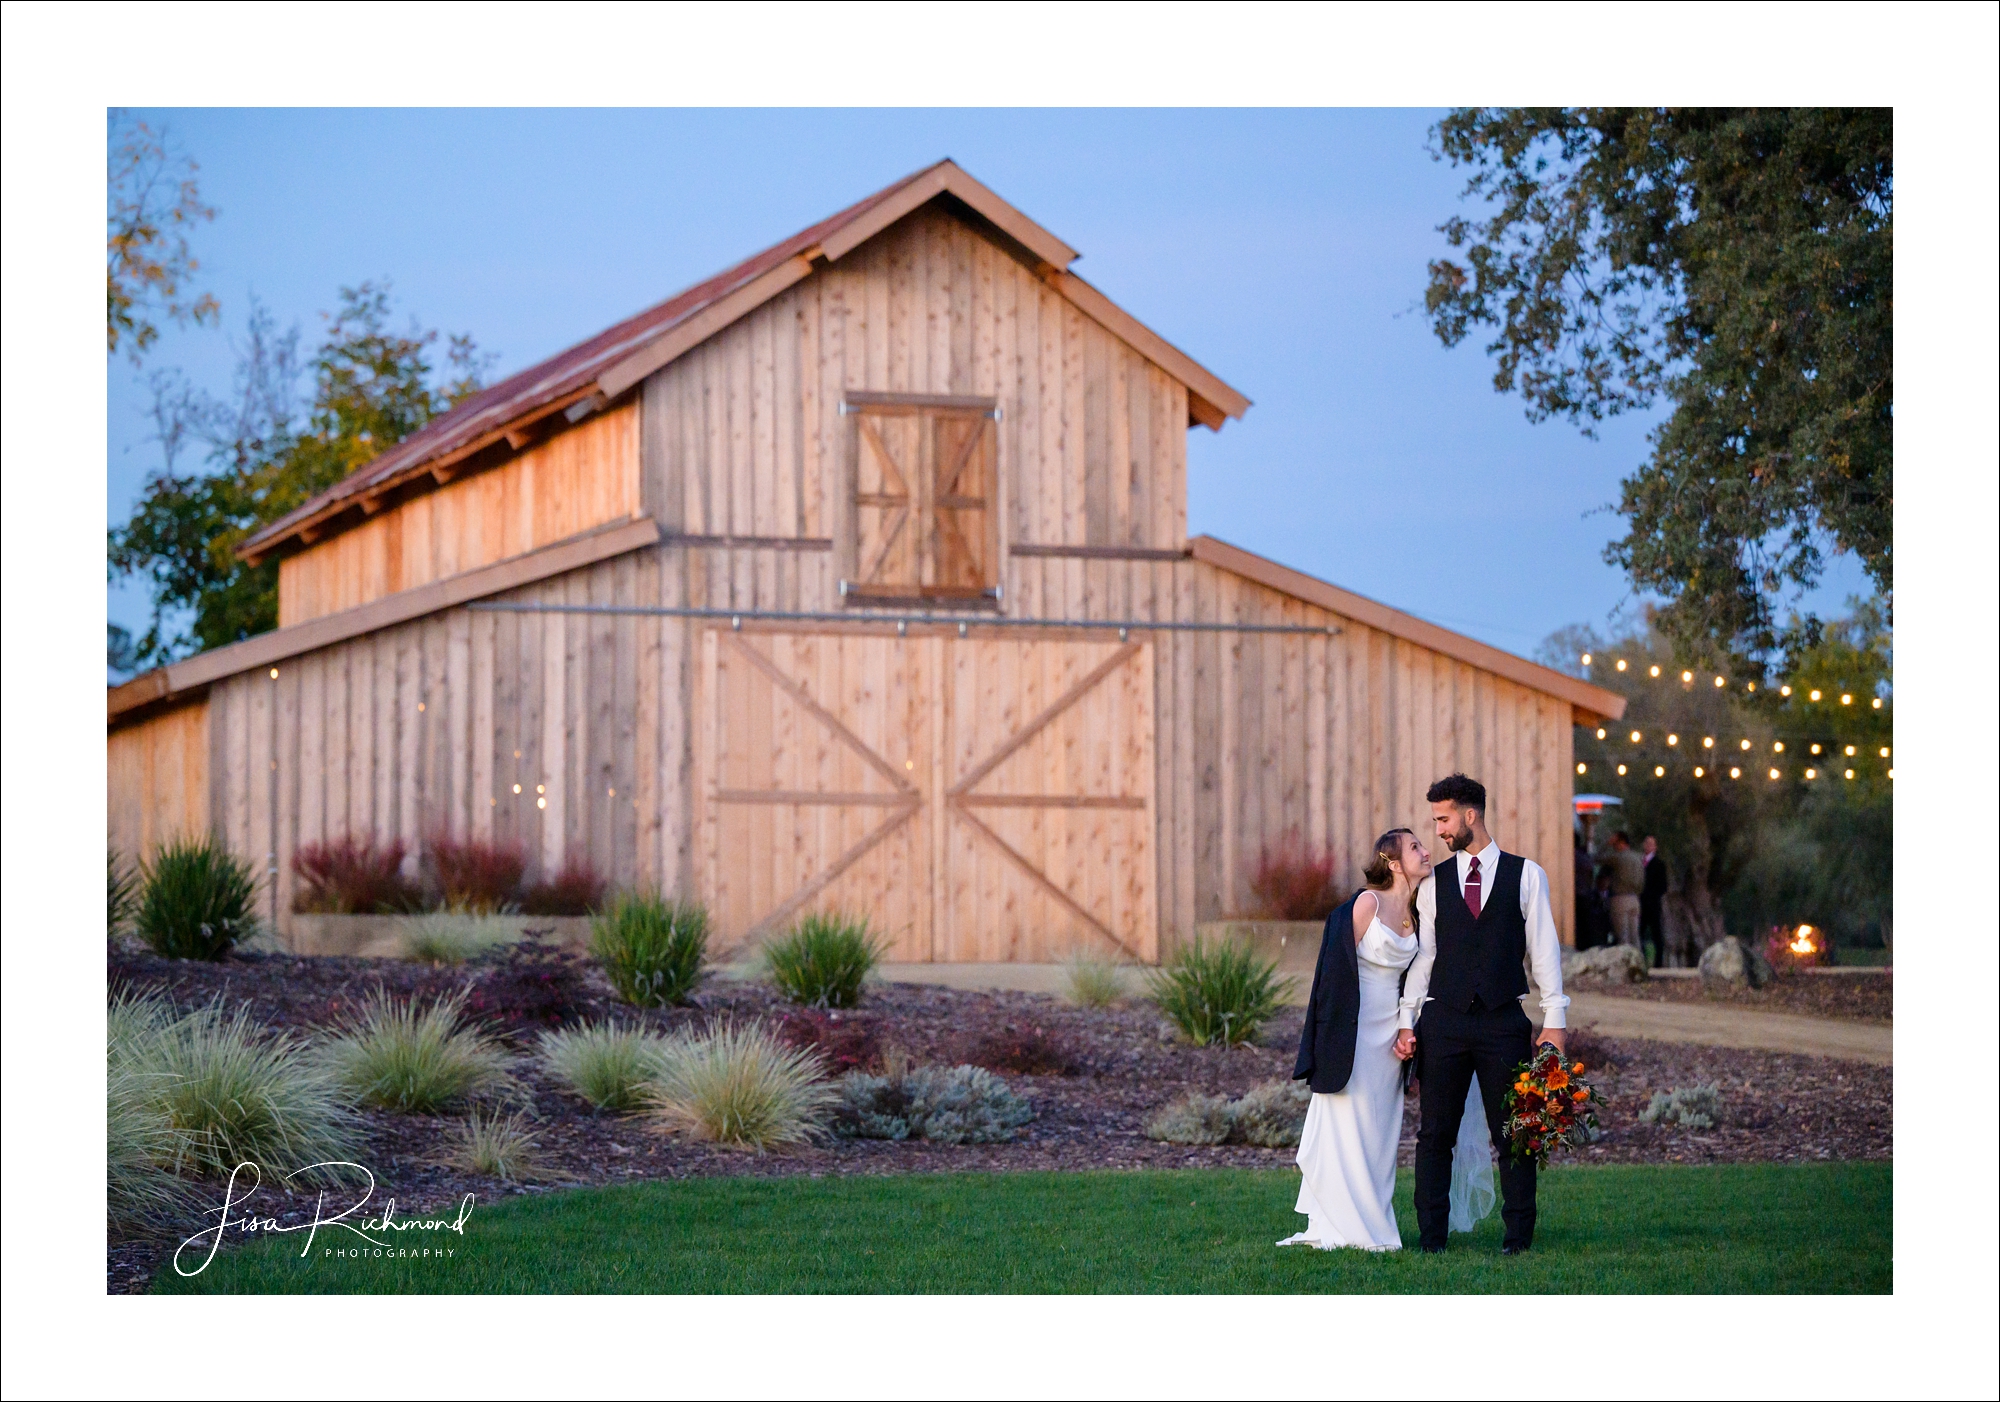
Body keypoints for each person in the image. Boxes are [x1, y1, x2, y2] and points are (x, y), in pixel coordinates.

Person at [1282, 828, 1494, 1252]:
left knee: (1382, 1128)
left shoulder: (1420, 909)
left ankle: (1375, 1220)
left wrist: (1408, 1026)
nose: (1424, 850)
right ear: (1393, 862)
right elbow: (1333, 973)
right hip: (1356, 1029)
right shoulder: (1367, 903)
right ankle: (1348, 1226)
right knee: (1351, 1120)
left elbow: (1421, 974)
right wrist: (1329, 1038)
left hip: (1393, 1032)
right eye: (1415, 847)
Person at [1393, 773, 1570, 1255]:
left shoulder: (1527, 875)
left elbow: (1544, 952)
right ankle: (1432, 1237)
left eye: (1444, 819)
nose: (1439, 831)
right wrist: (1407, 1020)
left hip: (1502, 1023)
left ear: (1471, 815)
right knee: (1434, 1135)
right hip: (1444, 1022)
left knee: (1514, 1133)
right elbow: (1425, 958)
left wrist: (1554, 1020)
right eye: (1435, 821)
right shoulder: (1432, 887)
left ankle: (1519, 1237)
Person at [1603, 830, 1646, 950]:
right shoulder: (1638, 858)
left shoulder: (1617, 858)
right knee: (1635, 936)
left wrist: (1607, 844)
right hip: (1635, 899)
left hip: (1620, 898)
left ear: (1620, 842)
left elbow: (1597, 858)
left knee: (1623, 937)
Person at [1640, 835, 1669, 967]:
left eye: (1651, 844)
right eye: (1646, 843)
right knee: (1639, 932)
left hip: (1653, 905)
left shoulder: (1659, 864)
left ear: (1655, 847)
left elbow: (1663, 886)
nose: (1648, 846)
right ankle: (1642, 960)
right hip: (1640, 904)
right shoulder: (1639, 863)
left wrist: (1652, 896)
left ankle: (1658, 963)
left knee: (1656, 934)